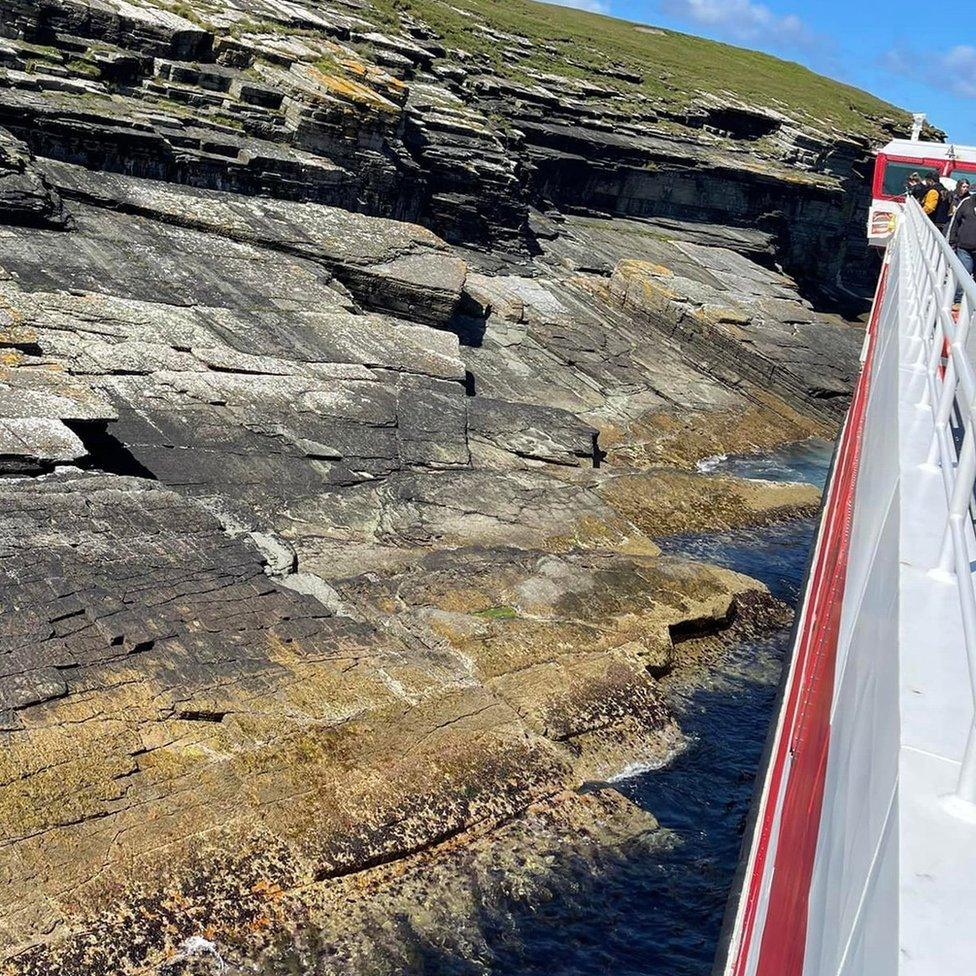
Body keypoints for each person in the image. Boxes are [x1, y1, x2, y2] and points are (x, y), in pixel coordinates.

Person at [948, 191, 976, 296]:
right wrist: (951, 241)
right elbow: (955, 221)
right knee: (964, 275)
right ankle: (958, 300)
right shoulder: (966, 202)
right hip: (964, 247)